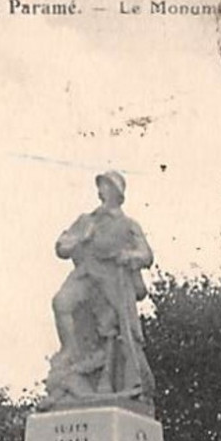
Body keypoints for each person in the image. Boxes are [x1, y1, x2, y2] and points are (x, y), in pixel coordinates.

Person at [47, 170, 155, 402]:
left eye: (108, 186)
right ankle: (70, 351)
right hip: (86, 275)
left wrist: (130, 255)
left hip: (113, 281)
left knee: (115, 332)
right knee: (61, 303)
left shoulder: (128, 225)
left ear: (117, 193)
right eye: (102, 185)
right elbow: (61, 247)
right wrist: (78, 239)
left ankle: (119, 381)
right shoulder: (87, 220)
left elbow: (146, 254)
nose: (103, 190)